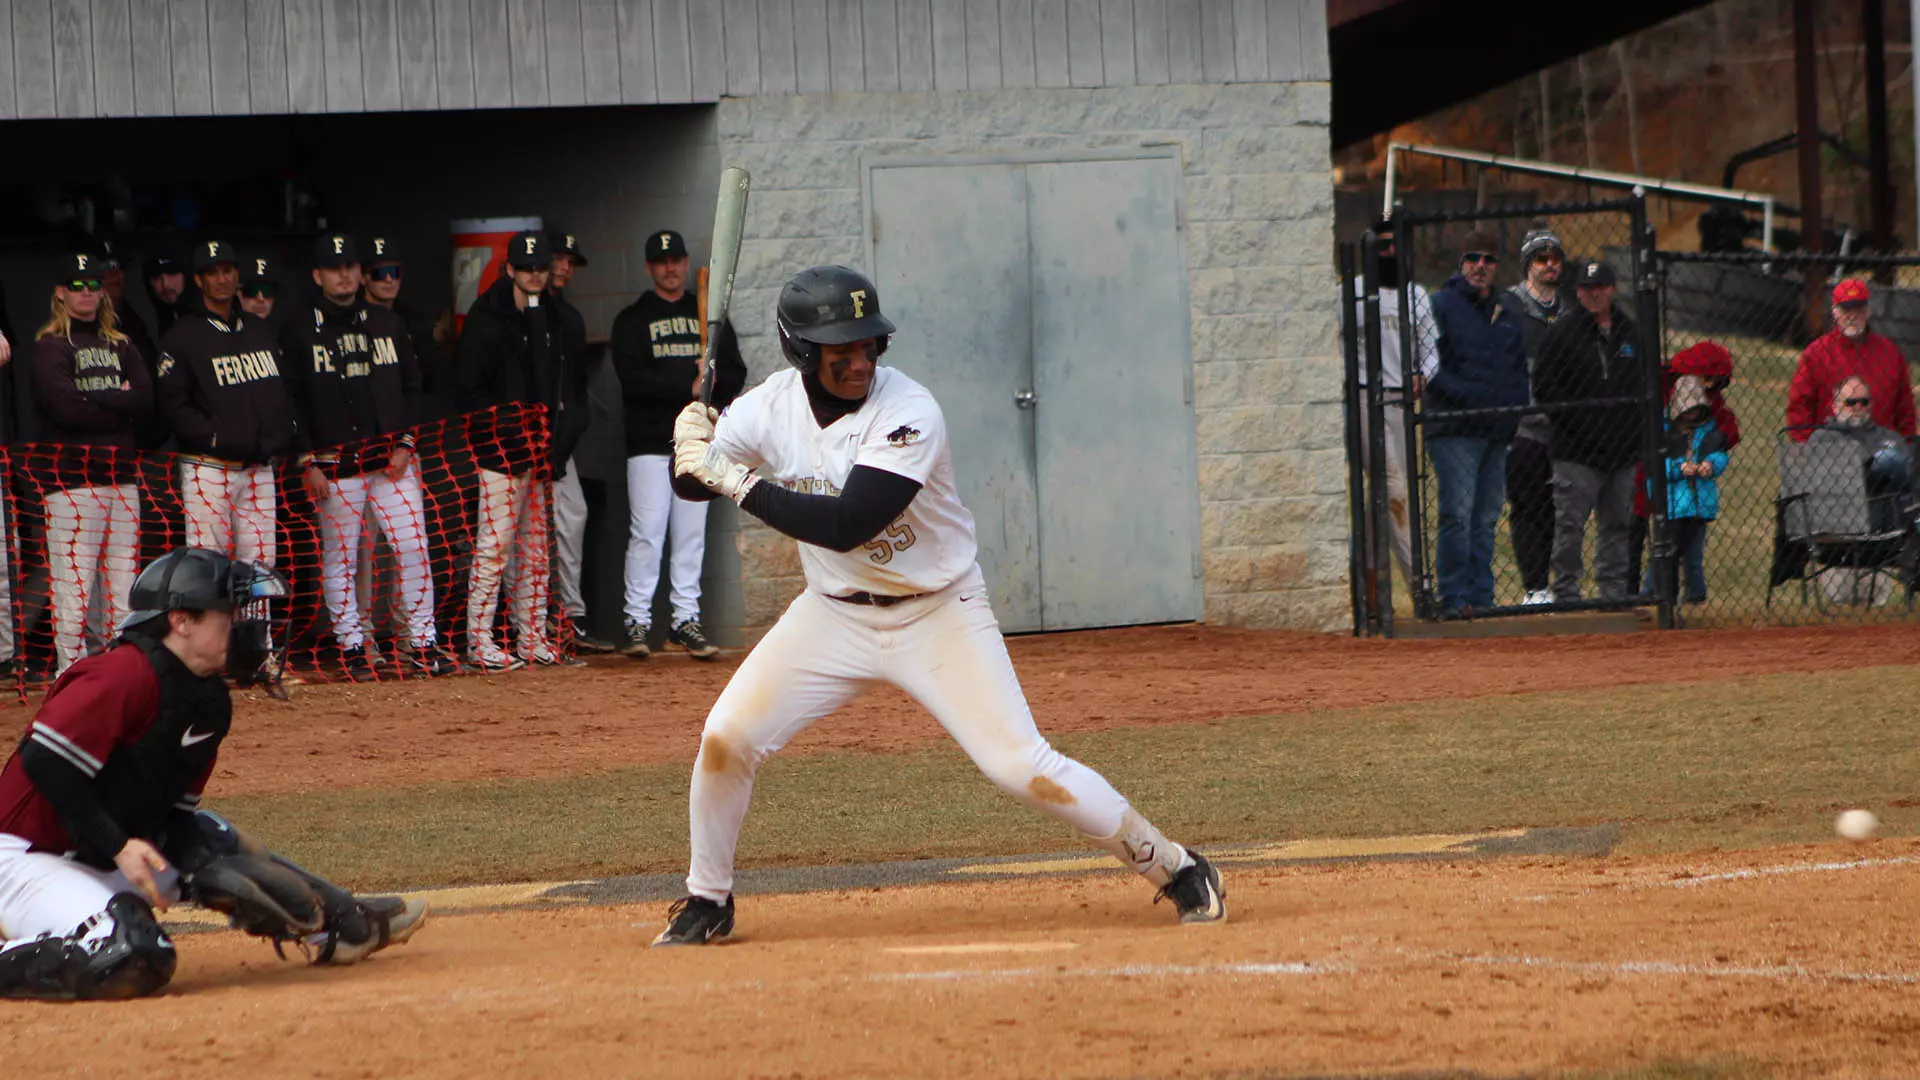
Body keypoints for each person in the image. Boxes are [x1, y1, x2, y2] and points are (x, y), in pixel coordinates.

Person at [649, 265, 1225, 946]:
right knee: (726, 737)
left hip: (939, 612)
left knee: (1020, 767)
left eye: (870, 344)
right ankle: (707, 901)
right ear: (802, 351)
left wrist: (731, 478)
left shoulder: (910, 410)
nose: (861, 359)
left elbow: (848, 524)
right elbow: (691, 484)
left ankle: (1177, 867)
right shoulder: (767, 407)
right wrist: (688, 442)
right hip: (832, 614)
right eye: (843, 349)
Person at [0, 548, 427, 1001]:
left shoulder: (209, 703)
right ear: (181, 621)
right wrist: (119, 845)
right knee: (133, 952)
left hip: (93, 854)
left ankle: (341, 922)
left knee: (215, 845)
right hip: (22, 858)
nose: (246, 627)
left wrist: (205, 865)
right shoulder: (120, 674)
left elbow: (175, 817)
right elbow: (45, 763)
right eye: (229, 614)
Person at [280, 234, 448, 680]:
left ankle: (423, 642)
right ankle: (352, 646)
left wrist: (405, 444)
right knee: (342, 558)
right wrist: (307, 460)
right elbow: (291, 399)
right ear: (318, 276)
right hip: (334, 464)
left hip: (389, 462)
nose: (345, 275)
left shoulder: (385, 322)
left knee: (413, 547)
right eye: (335, 268)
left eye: (351, 267)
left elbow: (414, 386)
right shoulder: (299, 328)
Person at [155, 240, 298, 698]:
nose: (222, 278)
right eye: (212, 271)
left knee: (259, 564)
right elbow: (172, 404)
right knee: (209, 565)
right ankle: (205, 660)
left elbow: (279, 395)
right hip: (208, 466)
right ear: (198, 280)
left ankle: (256, 657)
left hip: (256, 468)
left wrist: (275, 440)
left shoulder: (258, 330)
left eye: (228, 270)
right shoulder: (184, 334)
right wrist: (214, 438)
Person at [610, 229, 746, 660]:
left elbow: (736, 372)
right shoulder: (633, 319)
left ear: (686, 264)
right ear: (651, 267)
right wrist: (684, 386)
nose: (671, 268)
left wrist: (712, 381)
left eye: (677, 260)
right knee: (647, 533)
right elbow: (632, 380)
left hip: (699, 443)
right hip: (650, 443)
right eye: (662, 262)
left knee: (691, 536)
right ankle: (637, 621)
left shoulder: (709, 318)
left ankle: (685, 619)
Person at [450, 230, 581, 671]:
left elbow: (565, 389)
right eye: (525, 268)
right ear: (510, 269)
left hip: (540, 455)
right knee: (494, 548)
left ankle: (532, 637)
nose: (534, 275)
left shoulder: (553, 317)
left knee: (535, 550)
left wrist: (554, 449)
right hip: (499, 454)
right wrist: (506, 432)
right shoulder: (487, 317)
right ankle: (479, 640)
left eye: (540, 268)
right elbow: (468, 392)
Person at [29, 254, 153, 677]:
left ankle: (119, 674)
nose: (86, 292)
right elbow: (67, 411)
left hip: (122, 479)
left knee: (122, 589)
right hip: (70, 484)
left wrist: (98, 399)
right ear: (60, 292)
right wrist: (118, 403)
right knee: (74, 589)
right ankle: (71, 677)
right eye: (76, 285)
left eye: (92, 285)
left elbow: (145, 400)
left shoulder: (121, 342)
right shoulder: (50, 346)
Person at [1425, 230, 1529, 618]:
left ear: (1496, 265)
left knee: (1485, 519)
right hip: (1455, 430)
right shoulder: (1440, 306)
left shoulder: (1506, 309)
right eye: (1472, 258)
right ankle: (1454, 598)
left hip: (1496, 431)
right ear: (1461, 262)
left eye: (1487, 259)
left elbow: (1519, 369)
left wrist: (1513, 409)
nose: (1479, 266)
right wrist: (1475, 399)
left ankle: (1481, 599)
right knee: (1458, 514)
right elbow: (1430, 369)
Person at [1533, 261, 1642, 603]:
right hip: (1575, 452)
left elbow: (1645, 386)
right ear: (1577, 292)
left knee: (1618, 527)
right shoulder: (1561, 333)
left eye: (1601, 287)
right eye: (1586, 288)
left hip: (1622, 453)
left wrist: (1632, 433)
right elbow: (1545, 388)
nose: (1594, 294)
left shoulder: (1631, 332)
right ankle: (1566, 594)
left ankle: (1612, 594)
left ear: (1613, 289)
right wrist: (1575, 426)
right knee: (1570, 527)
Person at [1346, 217, 1438, 602]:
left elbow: (1432, 351)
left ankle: (1367, 593)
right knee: (1396, 488)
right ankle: (1421, 589)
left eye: (1395, 245)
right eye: (1382, 245)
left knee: (1381, 501)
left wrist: (1423, 374)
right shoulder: (1348, 293)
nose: (1390, 252)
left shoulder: (1416, 295)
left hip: (1402, 401)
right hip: (1367, 400)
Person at [545, 232, 612, 654]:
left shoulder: (568, 317)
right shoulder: (513, 312)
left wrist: (561, 444)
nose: (565, 268)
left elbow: (576, 390)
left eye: (571, 261)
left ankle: (571, 616)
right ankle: (521, 621)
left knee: (574, 516)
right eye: (559, 259)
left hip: (556, 445)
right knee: (518, 536)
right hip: (516, 446)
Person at [1502, 225, 1567, 606]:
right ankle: (1535, 588)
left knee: (1561, 509)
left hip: (1561, 427)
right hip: (1523, 426)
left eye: (1555, 259)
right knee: (1527, 505)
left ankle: (1561, 585)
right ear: (1529, 264)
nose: (1549, 266)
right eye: (1541, 259)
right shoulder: (1508, 306)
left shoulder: (1570, 312)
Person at [1786, 280, 1916, 441]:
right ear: (1835, 312)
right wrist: (1807, 449)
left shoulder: (1890, 353)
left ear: (1868, 311)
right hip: (1830, 450)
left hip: (1882, 449)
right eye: (1846, 309)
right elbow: (1799, 407)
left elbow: (1905, 409)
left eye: (1858, 309)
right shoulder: (1816, 354)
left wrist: (1907, 449)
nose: (1853, 316)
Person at [1646, 376, 1728, 605]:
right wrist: (1678, 467)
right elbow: (1654, 466)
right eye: (1687, 409)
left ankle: (1695, 594)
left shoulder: (1709, 433)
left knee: (1693, 555)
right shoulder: (1664, 434)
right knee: (1664, 553)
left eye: (1696, 409)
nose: (1691, 415)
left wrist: (1710, 465)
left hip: (1698, 505)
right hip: (1672, 505)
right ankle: (1654, 593)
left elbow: (1720, 455)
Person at [237, 255, 280, 326]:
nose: (260, 299)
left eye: (267, 291)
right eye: (251, 290)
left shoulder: (286, 335)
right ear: (237, 294)